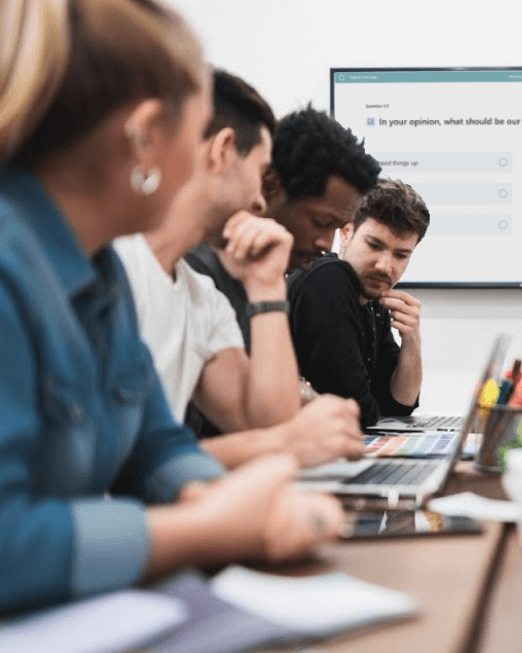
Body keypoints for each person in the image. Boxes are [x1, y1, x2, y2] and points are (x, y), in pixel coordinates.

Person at [0, 0, 341, 613]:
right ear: (144, 135)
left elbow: (155, 445)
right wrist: (207, 529)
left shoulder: (101, 272)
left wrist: (238, 507)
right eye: (198, 125)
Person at [113, 69, 363, 469]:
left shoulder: (201, 298)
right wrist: (285, 443)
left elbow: (266, 423)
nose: (260, 201)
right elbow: (115, 466)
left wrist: (267, 288)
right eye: (260, 173)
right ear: (223, 150)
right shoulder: (112, 265)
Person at [185, 105, 380, 436]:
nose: (326, 243)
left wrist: (308, 401)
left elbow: (270, 412)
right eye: (321, 222)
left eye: (337, 228)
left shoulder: (261, 276)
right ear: (269, 186)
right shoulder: (199, 276)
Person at [287, 179, 428, 428]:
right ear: (346, 233)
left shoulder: (372, 296)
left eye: (401, 255)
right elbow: (358, 413)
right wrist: (371, 405)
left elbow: (399, 405)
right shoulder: (329, 280)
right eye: (374, 245)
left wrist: (412, 338)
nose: (385, 266)